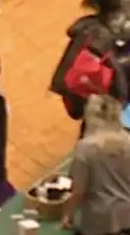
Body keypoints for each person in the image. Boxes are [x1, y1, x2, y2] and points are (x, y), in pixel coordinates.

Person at [50, 0, 128, 130]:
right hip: (86, 94)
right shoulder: (102, 37)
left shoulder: (87, 27)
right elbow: (117, 74)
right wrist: (122, 101)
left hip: (71, 91)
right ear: (111, 16)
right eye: (120, 16)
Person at [63, 94, 130, 234]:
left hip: (99, 222)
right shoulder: (128, 140)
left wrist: (68, 216)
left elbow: (79, 191)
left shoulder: (86, 148)